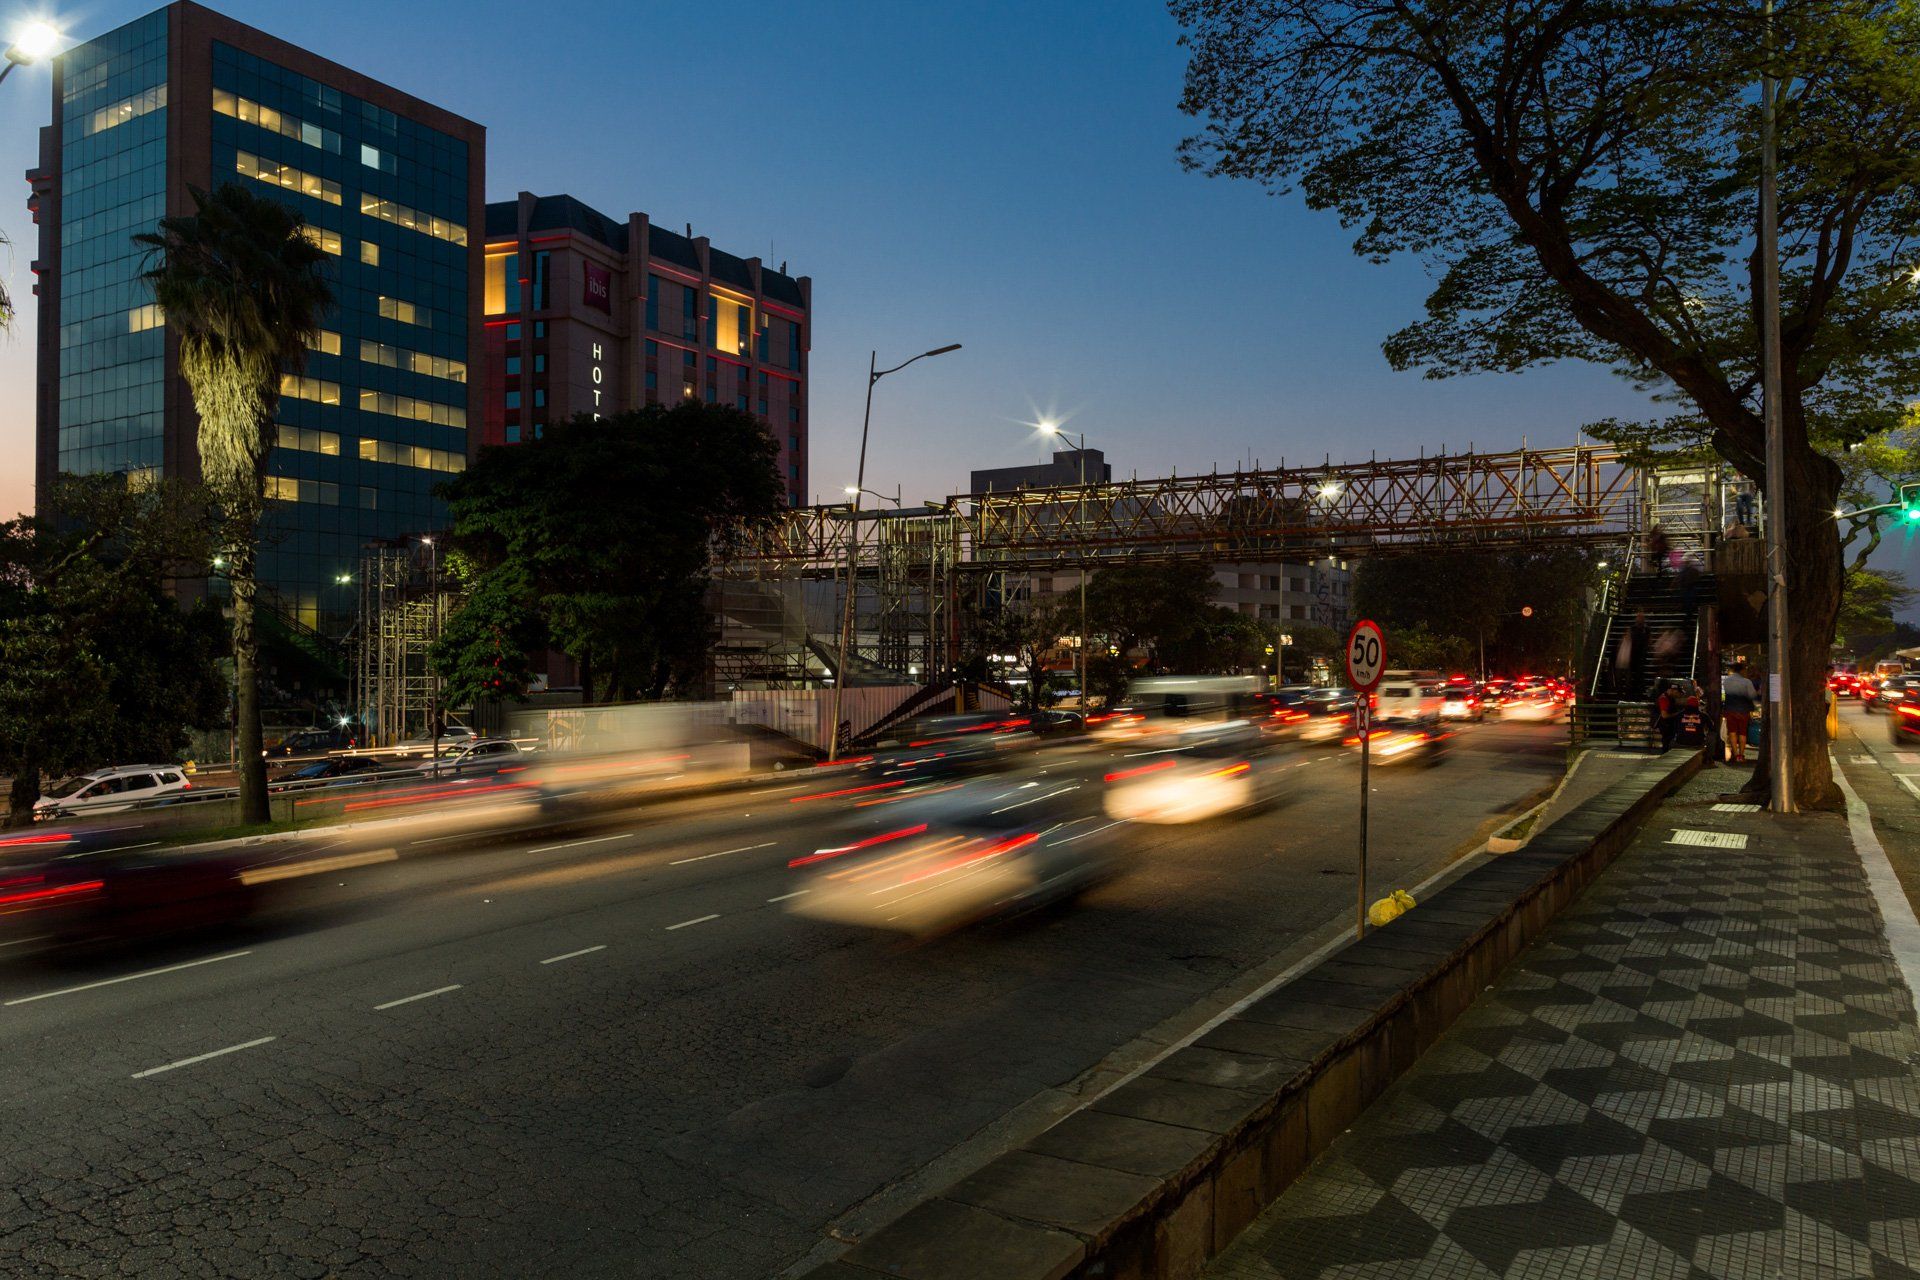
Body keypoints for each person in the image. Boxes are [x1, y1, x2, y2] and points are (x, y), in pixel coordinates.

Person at [1721, 662, 1758, 764]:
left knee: (1732, 732)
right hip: (1743, 711)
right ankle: (1741, 755)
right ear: (1742, 670)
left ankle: (1735, 754)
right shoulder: (1746, 682)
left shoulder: (1727, 681)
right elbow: (1752, 695)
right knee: (1742, 733)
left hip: (1730, 710)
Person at [1656, 681, 1681, 750]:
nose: (1677, 694)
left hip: (1669, 725)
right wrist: (1678, 714)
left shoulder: (1670, 698)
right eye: (1677, 692)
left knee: (1668, 742)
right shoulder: (1664, 699)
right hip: (1665, 726)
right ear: (1671, 690)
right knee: (1666, 743)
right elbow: (1664, 715)